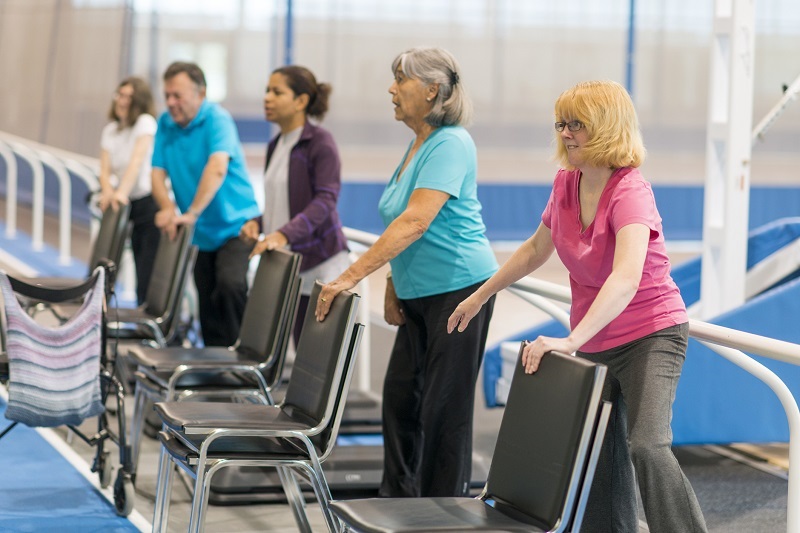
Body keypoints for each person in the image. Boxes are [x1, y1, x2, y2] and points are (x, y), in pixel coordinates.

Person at [447, 80, 707, 533]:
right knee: (596, 452)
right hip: (597, 335)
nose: (565, 134)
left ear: (607, 128)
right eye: (561, 124)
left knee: (647, 446)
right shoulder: (566, 183)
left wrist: (570, 340)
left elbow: (625, 279)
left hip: (651, 334)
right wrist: (479, 295)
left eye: (577, 125)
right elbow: (534, 249)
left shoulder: (631, 192)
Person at [315, 47, 498, 498]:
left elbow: (416, 221)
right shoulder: (419, 142)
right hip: (420, 295)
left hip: (461, 292)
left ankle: (442, 514)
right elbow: (403, 220)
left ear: (432, 90)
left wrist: (348, 277)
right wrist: (396, 284)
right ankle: (398, 504)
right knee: (400, 402)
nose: (391, 89)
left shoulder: (452, 142)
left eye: (401, 80)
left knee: (443, 411)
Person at [151, 61, 261, 347]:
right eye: (167, 96)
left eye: (178, 95)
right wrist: (166, 208)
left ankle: (244, 358)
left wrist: (191, 213)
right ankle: (215, 367)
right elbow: (156, 172)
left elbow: (217, 167)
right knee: (207, 301)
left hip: (236, 225)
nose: (171, 103)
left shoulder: (217, 119)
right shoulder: (166, 123)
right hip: (201, 230)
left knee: (230, 285)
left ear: (201, 93)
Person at [239, 66, 349, 345]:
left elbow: (325, 200)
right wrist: (259, 222)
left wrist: (282, 234)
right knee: (296, 348)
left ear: (300, 101)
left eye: (277, 92)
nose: (267, 98)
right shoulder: (276, 144)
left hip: (320, 264)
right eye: (267, 91)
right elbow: (285, 202)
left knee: (313, 353)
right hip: (291, 264)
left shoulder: (320, 143)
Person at [98, 76, 160, 304]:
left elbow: (136, 162)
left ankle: (145, 315)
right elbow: (104, 169)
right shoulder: (111, 130)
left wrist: (121, 193)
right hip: (124, 203)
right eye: (120, 95)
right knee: (107, 260)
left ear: (139, 101)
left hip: (146, 203)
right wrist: (107, 192)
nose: (122, 100)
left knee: (145, 267)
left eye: (128, 97)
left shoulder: (145, 123)